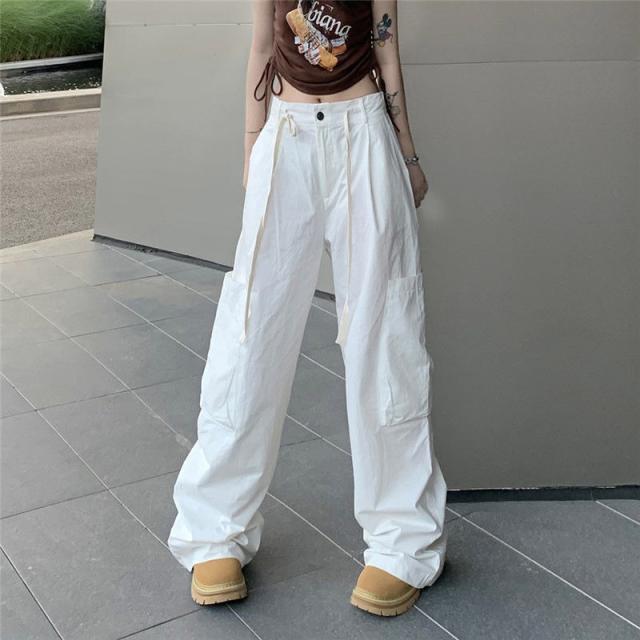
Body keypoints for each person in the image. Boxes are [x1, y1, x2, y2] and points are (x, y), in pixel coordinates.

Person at [168, 0, 447, 617]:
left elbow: (385, 48)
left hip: (365, 135)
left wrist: (408, 156)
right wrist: (252, 152)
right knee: (250, 334)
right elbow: (262, 48)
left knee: (386, 336)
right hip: (287, 136)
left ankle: (402, 541)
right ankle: (216, 528)